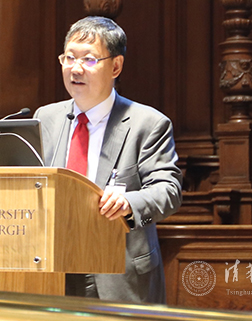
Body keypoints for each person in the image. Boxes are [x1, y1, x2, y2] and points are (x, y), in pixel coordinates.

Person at [33, 16, 182, 304]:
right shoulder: (45, 117)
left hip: (118, 271)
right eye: (69, 58)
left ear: (115, 66)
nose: (76, 68)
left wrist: (129, 204)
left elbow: (169, 191)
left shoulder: (147, 124)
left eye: (89, 60)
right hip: (53, 268)